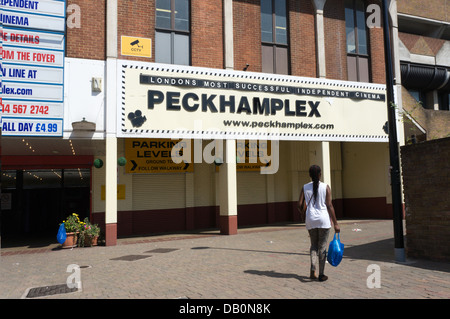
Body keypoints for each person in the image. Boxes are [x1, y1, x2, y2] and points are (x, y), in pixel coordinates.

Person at [298, 165, 340, 282]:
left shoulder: (305, 187)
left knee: (313, 246)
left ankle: (312, 269)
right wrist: (336, 223)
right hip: (323, 220)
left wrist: (303, 213)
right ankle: (321, 274)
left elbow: (299, 204)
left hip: (310, 219)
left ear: (310, 175)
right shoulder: (325, 187)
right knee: (322, 247)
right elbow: (330, 205)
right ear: (320, 174)